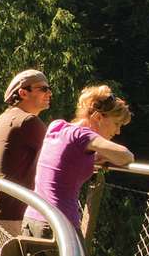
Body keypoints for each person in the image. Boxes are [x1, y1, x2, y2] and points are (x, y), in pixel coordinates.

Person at [24, 84, 134, 239]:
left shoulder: (57, 126)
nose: (117, 131)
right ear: (98, 117)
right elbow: (126, 156)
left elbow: (66, 158)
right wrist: (108, 156)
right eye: (116, 124)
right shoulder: (83, 135)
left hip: (33, 219)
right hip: (59, 227)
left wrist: (94, 157)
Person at [0, 69, 52, 233]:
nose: (49, 93)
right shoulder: (27, 121)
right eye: (43, 89)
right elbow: (59, 152)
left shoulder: (6, 117)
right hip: (13, 216)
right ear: (23, 93)